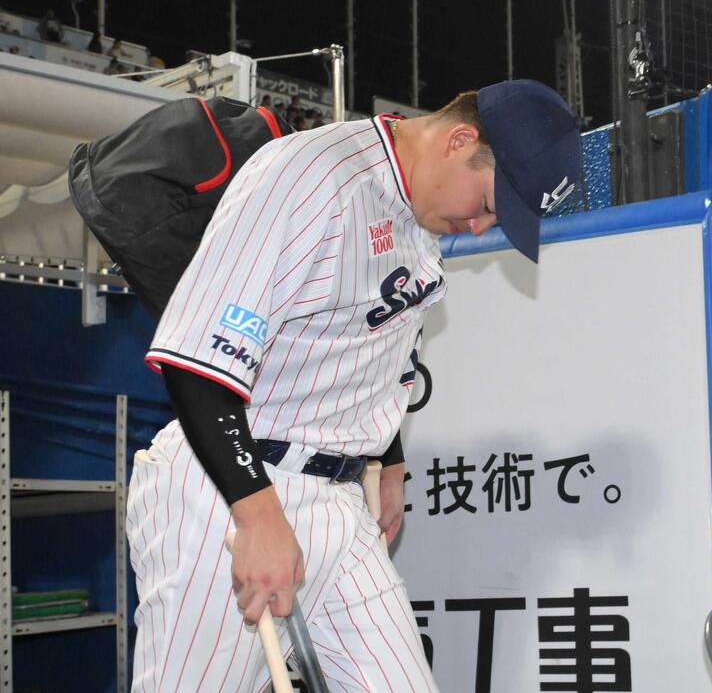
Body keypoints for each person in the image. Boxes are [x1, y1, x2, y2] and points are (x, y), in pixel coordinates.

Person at [126, 79, 581, 691]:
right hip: (230, 493)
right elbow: (195, 363)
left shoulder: (419, 205)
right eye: (487, 203)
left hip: (338, 500)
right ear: (459, 140)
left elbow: (366, 338)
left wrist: (387, 457)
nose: (479, 227)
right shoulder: (309, 175)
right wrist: (258, 517)